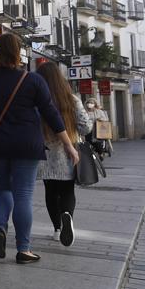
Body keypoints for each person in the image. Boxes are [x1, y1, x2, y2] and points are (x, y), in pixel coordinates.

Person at [0, 35, 78, 264]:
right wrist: (68, 145)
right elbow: (52, 114)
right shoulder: (32, 80)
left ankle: (0, 228)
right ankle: (23, 249)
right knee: (24, 195)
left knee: (3, 190)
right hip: (27, 143)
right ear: (19, 53)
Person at [37, 62, 91, 246]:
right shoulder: (72, 99)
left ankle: (57, 229)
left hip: (44, 153)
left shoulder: (36, 100)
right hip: (68, 153)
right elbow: (86, 127)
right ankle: (67, 215)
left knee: (50, 191)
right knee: (68, 190)